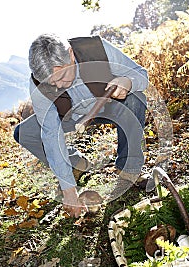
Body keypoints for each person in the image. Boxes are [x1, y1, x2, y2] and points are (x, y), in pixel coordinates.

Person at [14, 34, 148, 217]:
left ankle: (128, 169)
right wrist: (68, 189)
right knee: (24, 132)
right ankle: (74, 164)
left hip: (109, 107)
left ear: (70, 54)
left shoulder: (96, 48)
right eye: (52, 83)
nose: (59, 85)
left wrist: (128, 82)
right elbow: (51, 133)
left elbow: (141, 74)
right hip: (71, 118)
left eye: (61, 76)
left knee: (136, 98)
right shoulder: (39, 84)